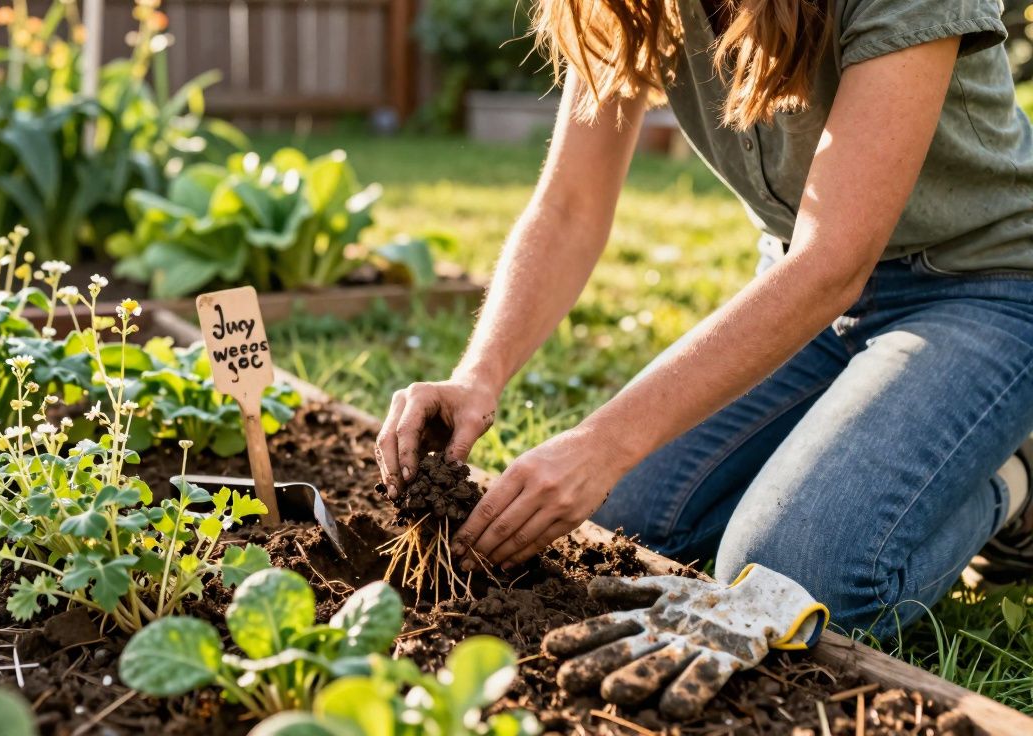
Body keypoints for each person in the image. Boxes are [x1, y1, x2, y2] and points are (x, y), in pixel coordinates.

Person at [376, 0, 1033, 637]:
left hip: (984, 286)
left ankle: (1013, 476)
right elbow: (571, 206)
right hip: (805, 294)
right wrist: (478, 374)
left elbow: (834, 259)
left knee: (796, 573)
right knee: (625, 520)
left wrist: (606, 440)